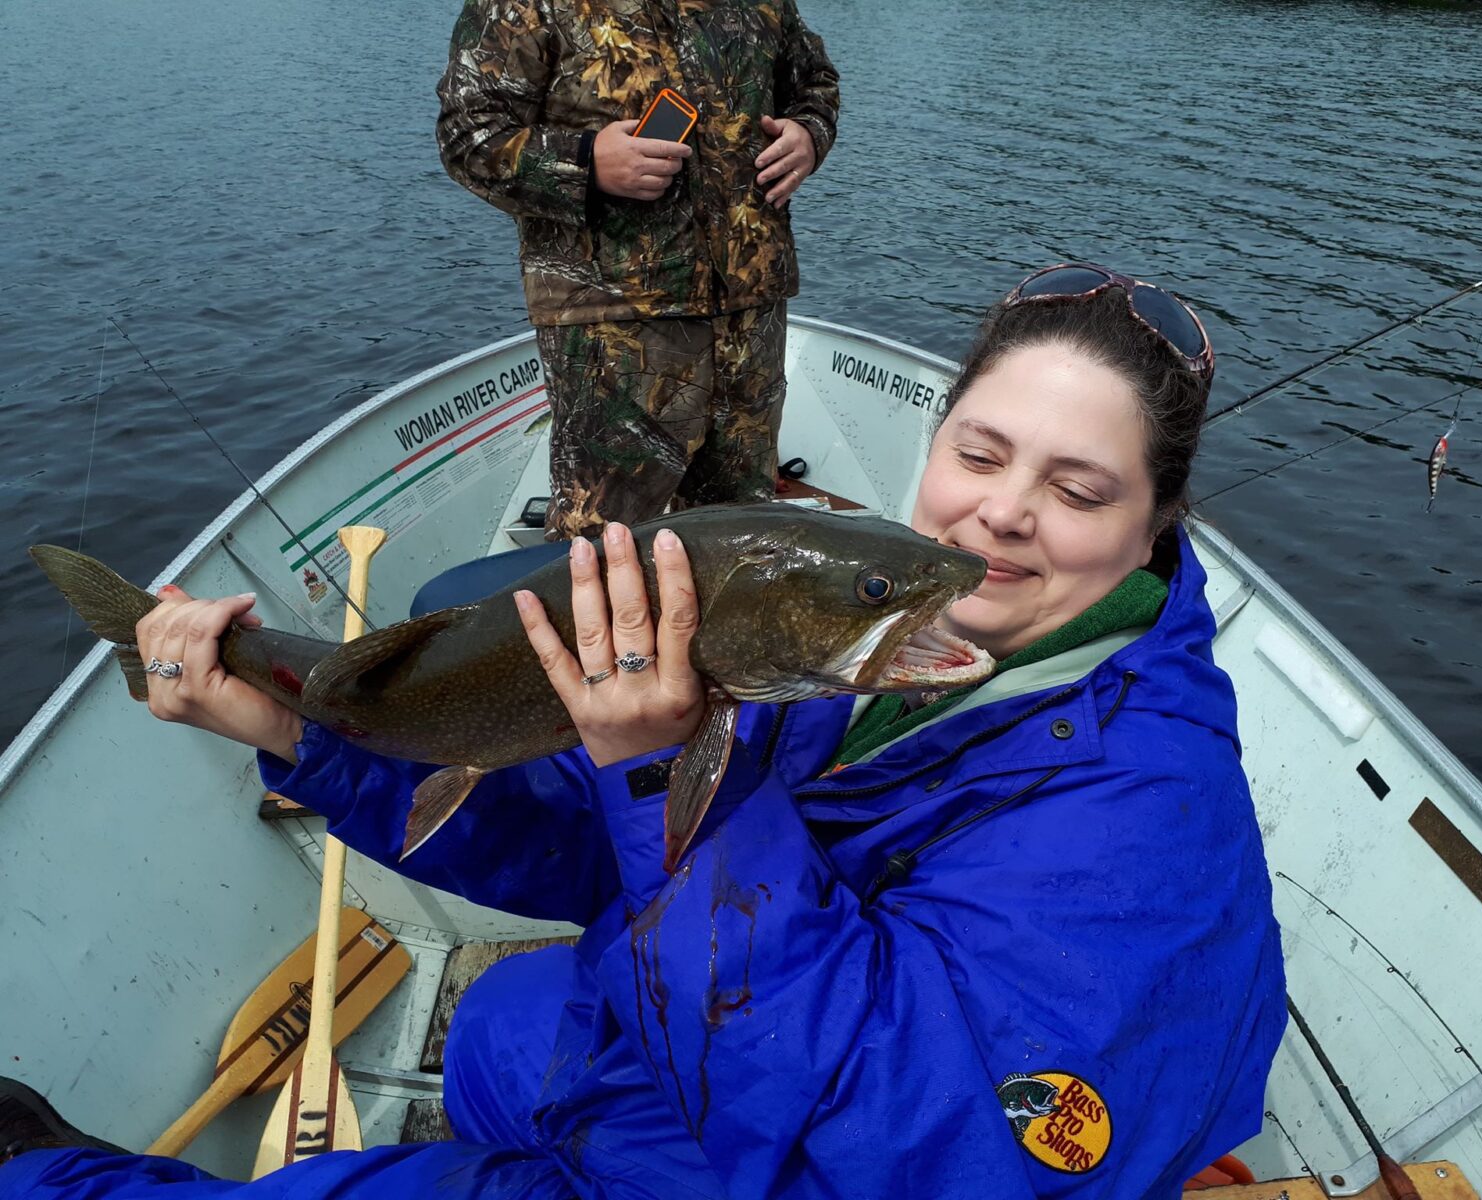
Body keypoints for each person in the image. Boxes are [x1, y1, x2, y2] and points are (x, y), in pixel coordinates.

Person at [0, 264, 1287, 1198]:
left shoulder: (1149, 823)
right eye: (979, 452)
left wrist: (670, 768)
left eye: (1076, 490)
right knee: (510, 1022)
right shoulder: (877, 666)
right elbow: (584, 845)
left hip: (802, 1160)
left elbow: (921, 1158)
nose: (999, 518)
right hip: (677, 1041)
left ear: (1154, 527)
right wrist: (290, 734)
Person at [436, 0, 840, 542]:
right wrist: (587, 160)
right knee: (607, 543)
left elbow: (813, 80)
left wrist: (809, 135)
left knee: (741, 534)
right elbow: (467, 136)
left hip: (751, 314)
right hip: (613, 323)